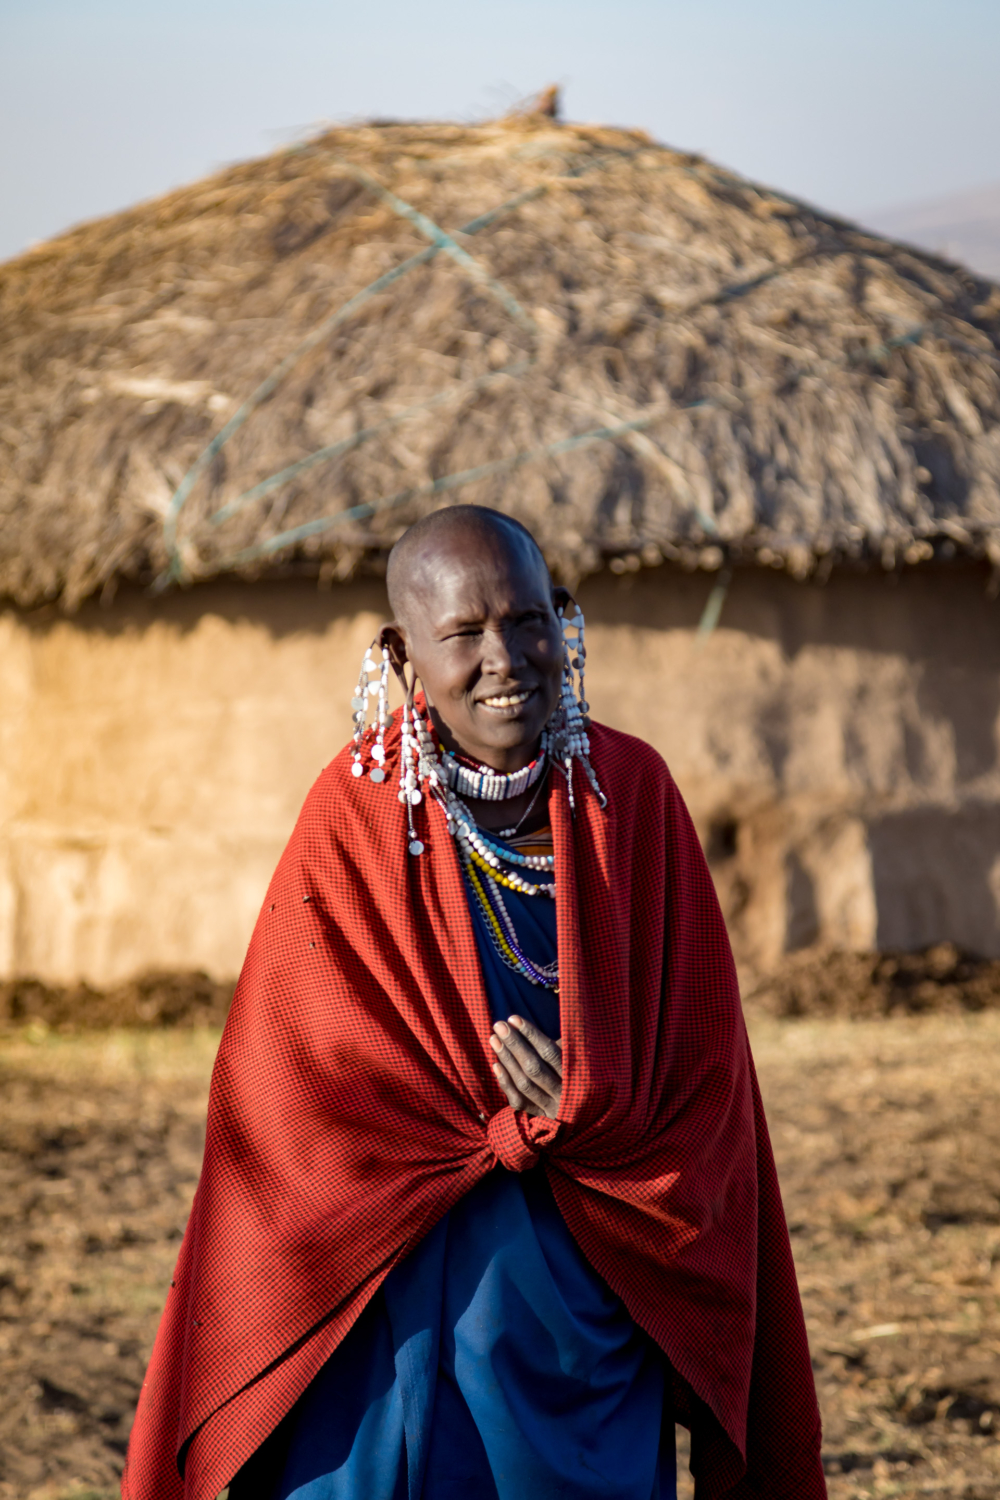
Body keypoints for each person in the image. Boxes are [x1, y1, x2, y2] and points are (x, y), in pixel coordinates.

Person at [123, 505, 827, 1500]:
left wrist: (593, 1102)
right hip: (386, 1295)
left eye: (528, 621)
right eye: (461, 635)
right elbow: (286, 1093)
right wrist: (468, 1122)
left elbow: (707, 1082)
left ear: (563, 621)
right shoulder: (352, 812)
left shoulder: (632, 797)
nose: (505, 657)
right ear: (402, 655)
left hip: (587, 1293)